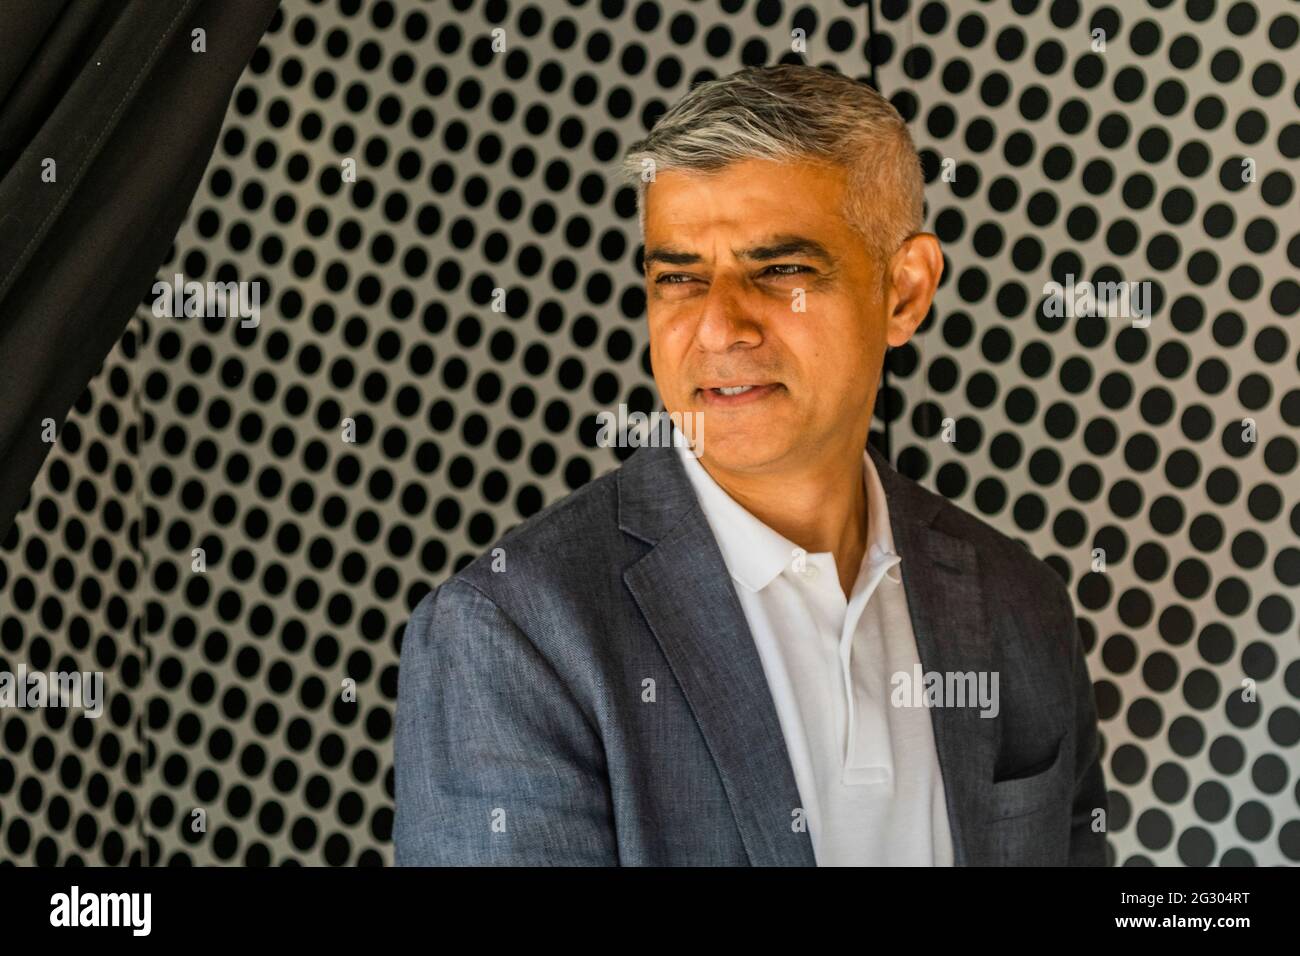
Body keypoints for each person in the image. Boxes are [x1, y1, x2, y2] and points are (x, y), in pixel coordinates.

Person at [395, 64, 1107, 866]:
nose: (720, 326)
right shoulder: (515, 634)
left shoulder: (1020, 603)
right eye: (678, 278)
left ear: (904, 292)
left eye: (780, 271)